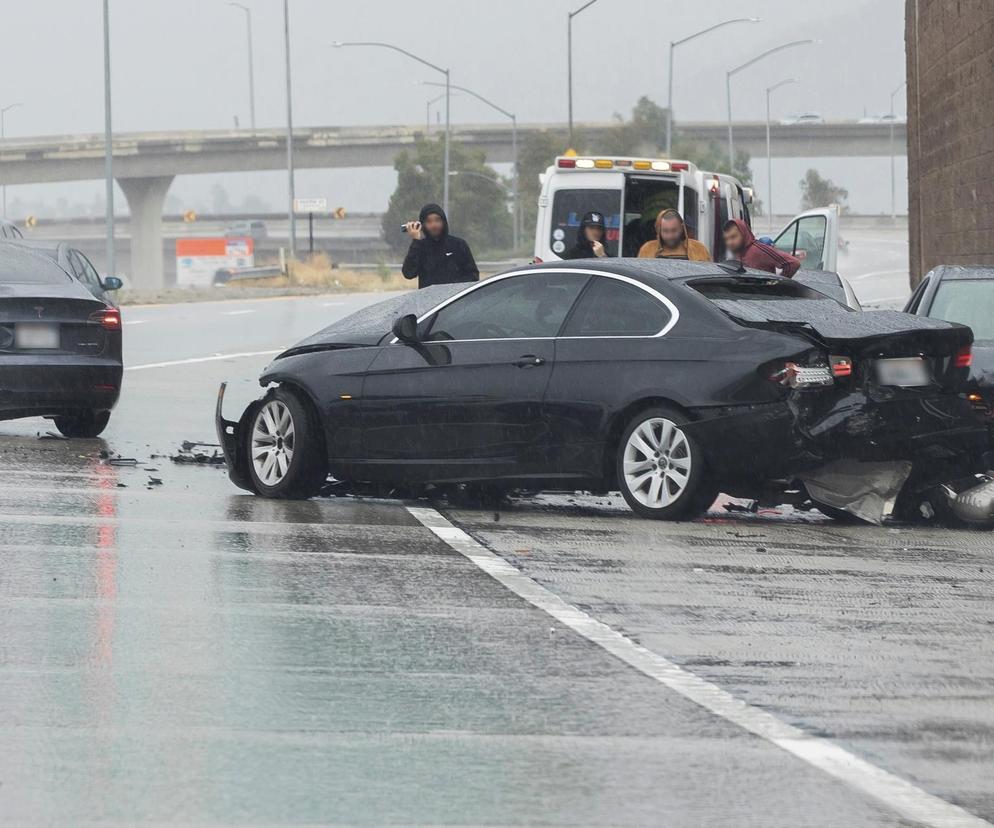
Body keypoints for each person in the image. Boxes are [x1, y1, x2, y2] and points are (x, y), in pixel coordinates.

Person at [402, 204, 479, 289]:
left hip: (455, 299)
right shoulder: (421, 247)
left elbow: (473, 276)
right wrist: (416, 241)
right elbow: (408, 273)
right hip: (430, 300)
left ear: (443, 221)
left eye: (437, 220)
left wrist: (453, 287)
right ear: (423, 224)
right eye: (429, 221)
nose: (434, 225)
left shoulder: (458, 245)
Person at [722, 218, 800, 277]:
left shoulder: (757, 249)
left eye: (733, 237)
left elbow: (793, 263)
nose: (729, 242)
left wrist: (777, 285)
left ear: (744, 234)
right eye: (727, 239)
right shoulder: (738, 255)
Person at [637, 209, 710, 261]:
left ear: (682, 228)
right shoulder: (647, 249)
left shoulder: (698, 249)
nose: (670, 236)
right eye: (665, 231)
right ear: (658, 230)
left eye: (674, 230)